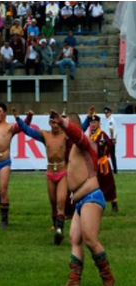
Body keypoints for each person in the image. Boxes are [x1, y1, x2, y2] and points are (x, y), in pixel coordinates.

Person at [50, 110, 115, 286]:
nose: (61, 127)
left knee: (90, 239)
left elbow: (77, 134)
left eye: (64, 124)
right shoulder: (73, 146)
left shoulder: (83, 143)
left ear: (74, 126)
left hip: (91, 197)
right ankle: (74, 281)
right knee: (75, 238)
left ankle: (108, 280)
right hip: (81, 201)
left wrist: (64, 124)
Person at [13, 108, 68, 245]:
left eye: (57, 122)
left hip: (62, 172)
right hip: (50, 173)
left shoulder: (65, 135)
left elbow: (79, 131)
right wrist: (18, 119)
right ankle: (56, 227)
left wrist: (89, 118)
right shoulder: (45, 135)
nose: (55, 125)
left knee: (61, 202)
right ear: (49, 123)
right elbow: (28, 131)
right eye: (53, 122)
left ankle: (60, 230)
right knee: (53, 203)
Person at [82, 113, 118, 213]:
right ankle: (94, 204)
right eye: (91, 122)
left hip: (103, 163)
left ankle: (114, 204)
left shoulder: (102, 134)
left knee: (108, 183)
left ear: (99, 123)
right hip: (93, 164)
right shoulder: (90, 135)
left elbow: (110, 145)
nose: (93, 124)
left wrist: (104, 148)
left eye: (95, 122)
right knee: (94, 184)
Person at [103, 107, 118, 174]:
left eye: (107, 113)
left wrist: (112, 139)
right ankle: (114, 170)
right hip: (111, 139)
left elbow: (111, 130)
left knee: (107, 154)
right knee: (111, 155)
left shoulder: (110, 120)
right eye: (105, 113)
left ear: (110, 113)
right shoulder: (111, 120)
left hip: (110, 139)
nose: (106, 114)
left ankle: (107, 169)